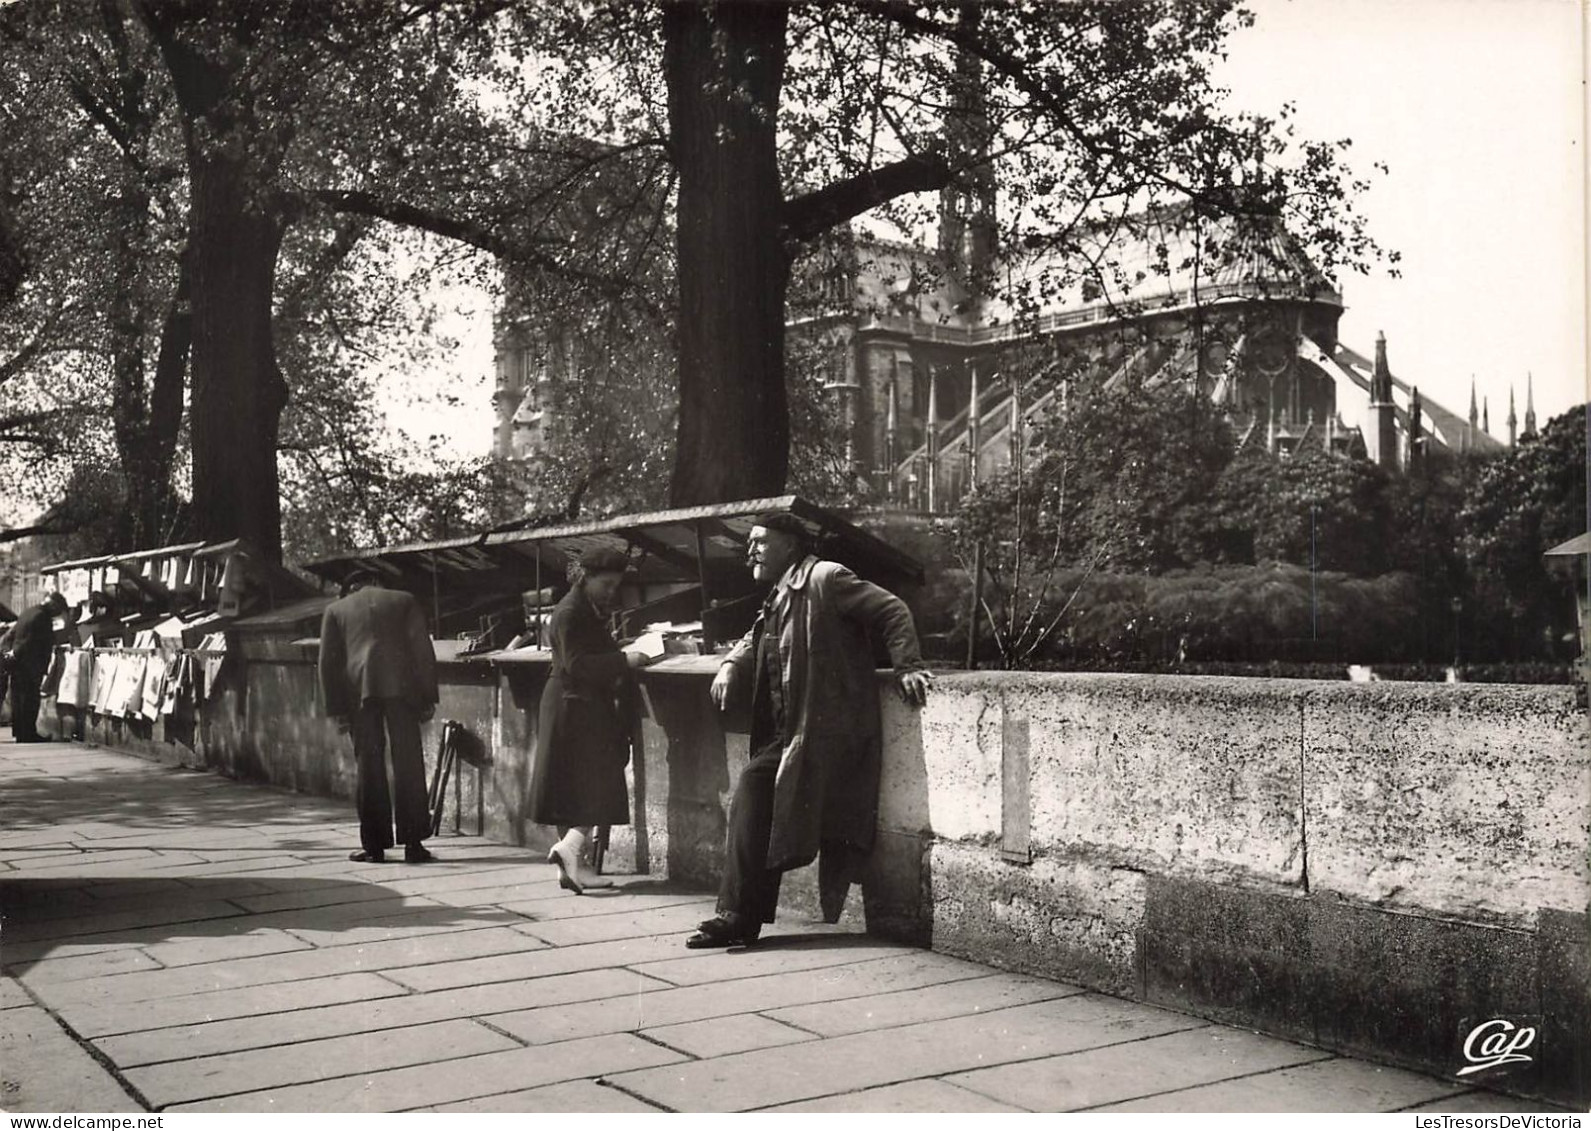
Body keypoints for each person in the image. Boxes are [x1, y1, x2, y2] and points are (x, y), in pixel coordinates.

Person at [691, 514, 933, 948]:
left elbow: (893, 609)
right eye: (751, 543)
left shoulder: (825, 578)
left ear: (791, 545)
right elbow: (756, 634)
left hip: (820, 733)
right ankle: (740, 917)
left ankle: (736, 916)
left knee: (752, 792)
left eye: (761, 542)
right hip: (789, 734)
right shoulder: (781, 591)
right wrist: (730, 663)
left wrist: (908, 666)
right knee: (757, 806)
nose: (752, 551)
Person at [530, 547, 655, 894]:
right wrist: (624, 660)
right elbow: (578, 664)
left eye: (616, 585)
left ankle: (574, 868)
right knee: (596, 779)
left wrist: (617, 651)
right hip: (574, 705)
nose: (612, 591)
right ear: (585, 577)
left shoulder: (581, 607)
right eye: (607, 584)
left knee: (570, 786)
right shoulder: (570, 612)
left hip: (573, 704)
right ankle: (570, 848)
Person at [318, 569, 439, 864]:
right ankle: (413, 845)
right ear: (378, 582)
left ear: (350, 588)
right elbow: (423, 650)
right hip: (403, 691)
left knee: (369, 767)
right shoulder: (404, 600)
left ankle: (374, 847)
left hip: (359, 695)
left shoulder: (336, 609)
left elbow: (327, 663)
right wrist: (428, 697)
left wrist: (336, 710)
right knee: (409, 763)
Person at [1, 592, 67, 743]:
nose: (57, 614)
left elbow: (13, 635)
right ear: (54, 605)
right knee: (29, 700)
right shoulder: (41, 617)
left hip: (19, 664)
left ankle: (20, 732)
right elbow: (28, 641)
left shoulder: (28, 612)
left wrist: (11, 656)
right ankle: (28, 733)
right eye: (58, 610)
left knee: (18, 699)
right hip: (30, 665)